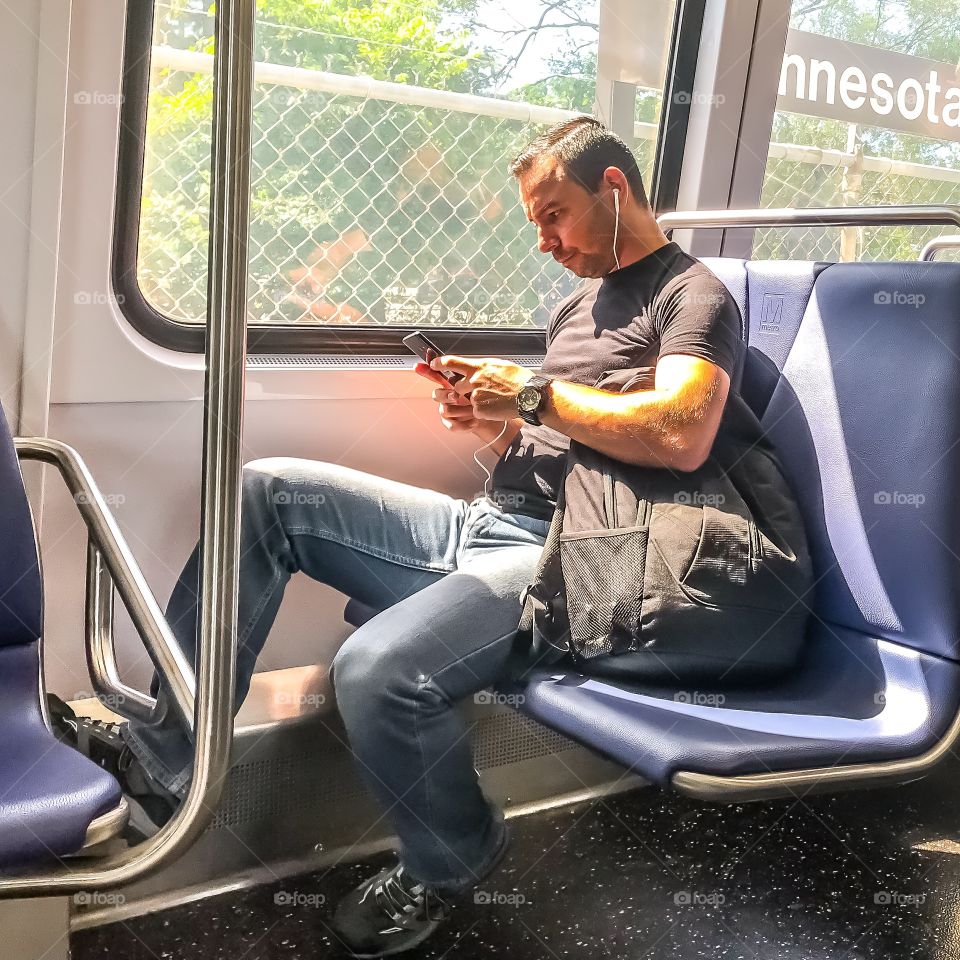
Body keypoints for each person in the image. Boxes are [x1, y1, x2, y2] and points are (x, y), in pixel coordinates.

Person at [85, 115, 747, 957]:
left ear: (614, 188)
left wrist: (532, 395)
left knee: (377, 670)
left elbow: (681, 433)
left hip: (578, 554)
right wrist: (492, 422)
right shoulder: (577, 306)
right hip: (490, 522)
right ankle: (163, 761)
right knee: (269, 492)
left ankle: (453, 858)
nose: (544, 241)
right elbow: (562, 445)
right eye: (535, 222)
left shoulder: (693, 295)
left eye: (554, 214)